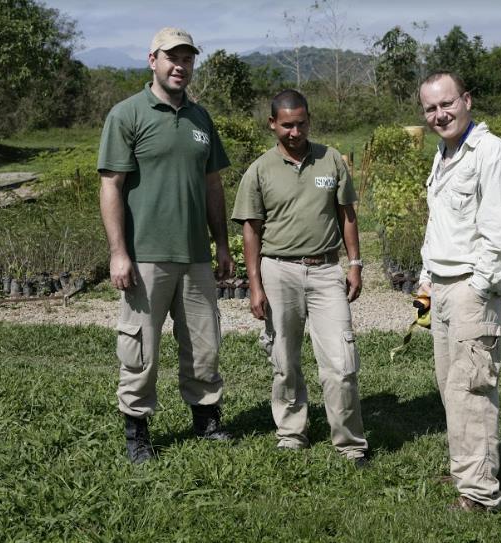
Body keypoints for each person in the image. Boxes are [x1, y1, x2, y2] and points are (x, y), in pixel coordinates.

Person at [98, 27, 233, 464]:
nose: (180, 66)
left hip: (195, 254)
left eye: (188, 58)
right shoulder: (127, 114)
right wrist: (119, 252)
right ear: (151, 60)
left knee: (204, 341)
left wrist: (222, 245)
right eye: (171, 57)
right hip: (146, 256)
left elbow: (213, 185)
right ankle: (137, 430)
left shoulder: (200, 118)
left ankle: (206, 418)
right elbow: (111, 186)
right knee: (141, 347)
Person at [231, 89, 369, 465]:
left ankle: (350, 444)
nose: (295, 132)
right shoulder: (259, 170)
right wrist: (255, 285)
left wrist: (354, 264)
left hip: (326, 270)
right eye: (287, 125)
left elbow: (347, 215)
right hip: (279, 270)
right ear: (273, 124)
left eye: (301, 123)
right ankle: (292, 433)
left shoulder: (331, 161)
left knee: (342, 363)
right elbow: (251, 230)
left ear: (310, 120)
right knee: (285, 360)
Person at [416, 72, 501, 511]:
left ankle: (481, 495)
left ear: (467, 101)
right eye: (430, 108)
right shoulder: (445, 153)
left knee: (472, 389)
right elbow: (440, 224)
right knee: (451, 387)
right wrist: (426, 278)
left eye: (447, 104)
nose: (439, 114)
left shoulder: (491, 152)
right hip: (442, 286)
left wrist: (479, 288)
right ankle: (469, 470)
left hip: (469, 289)